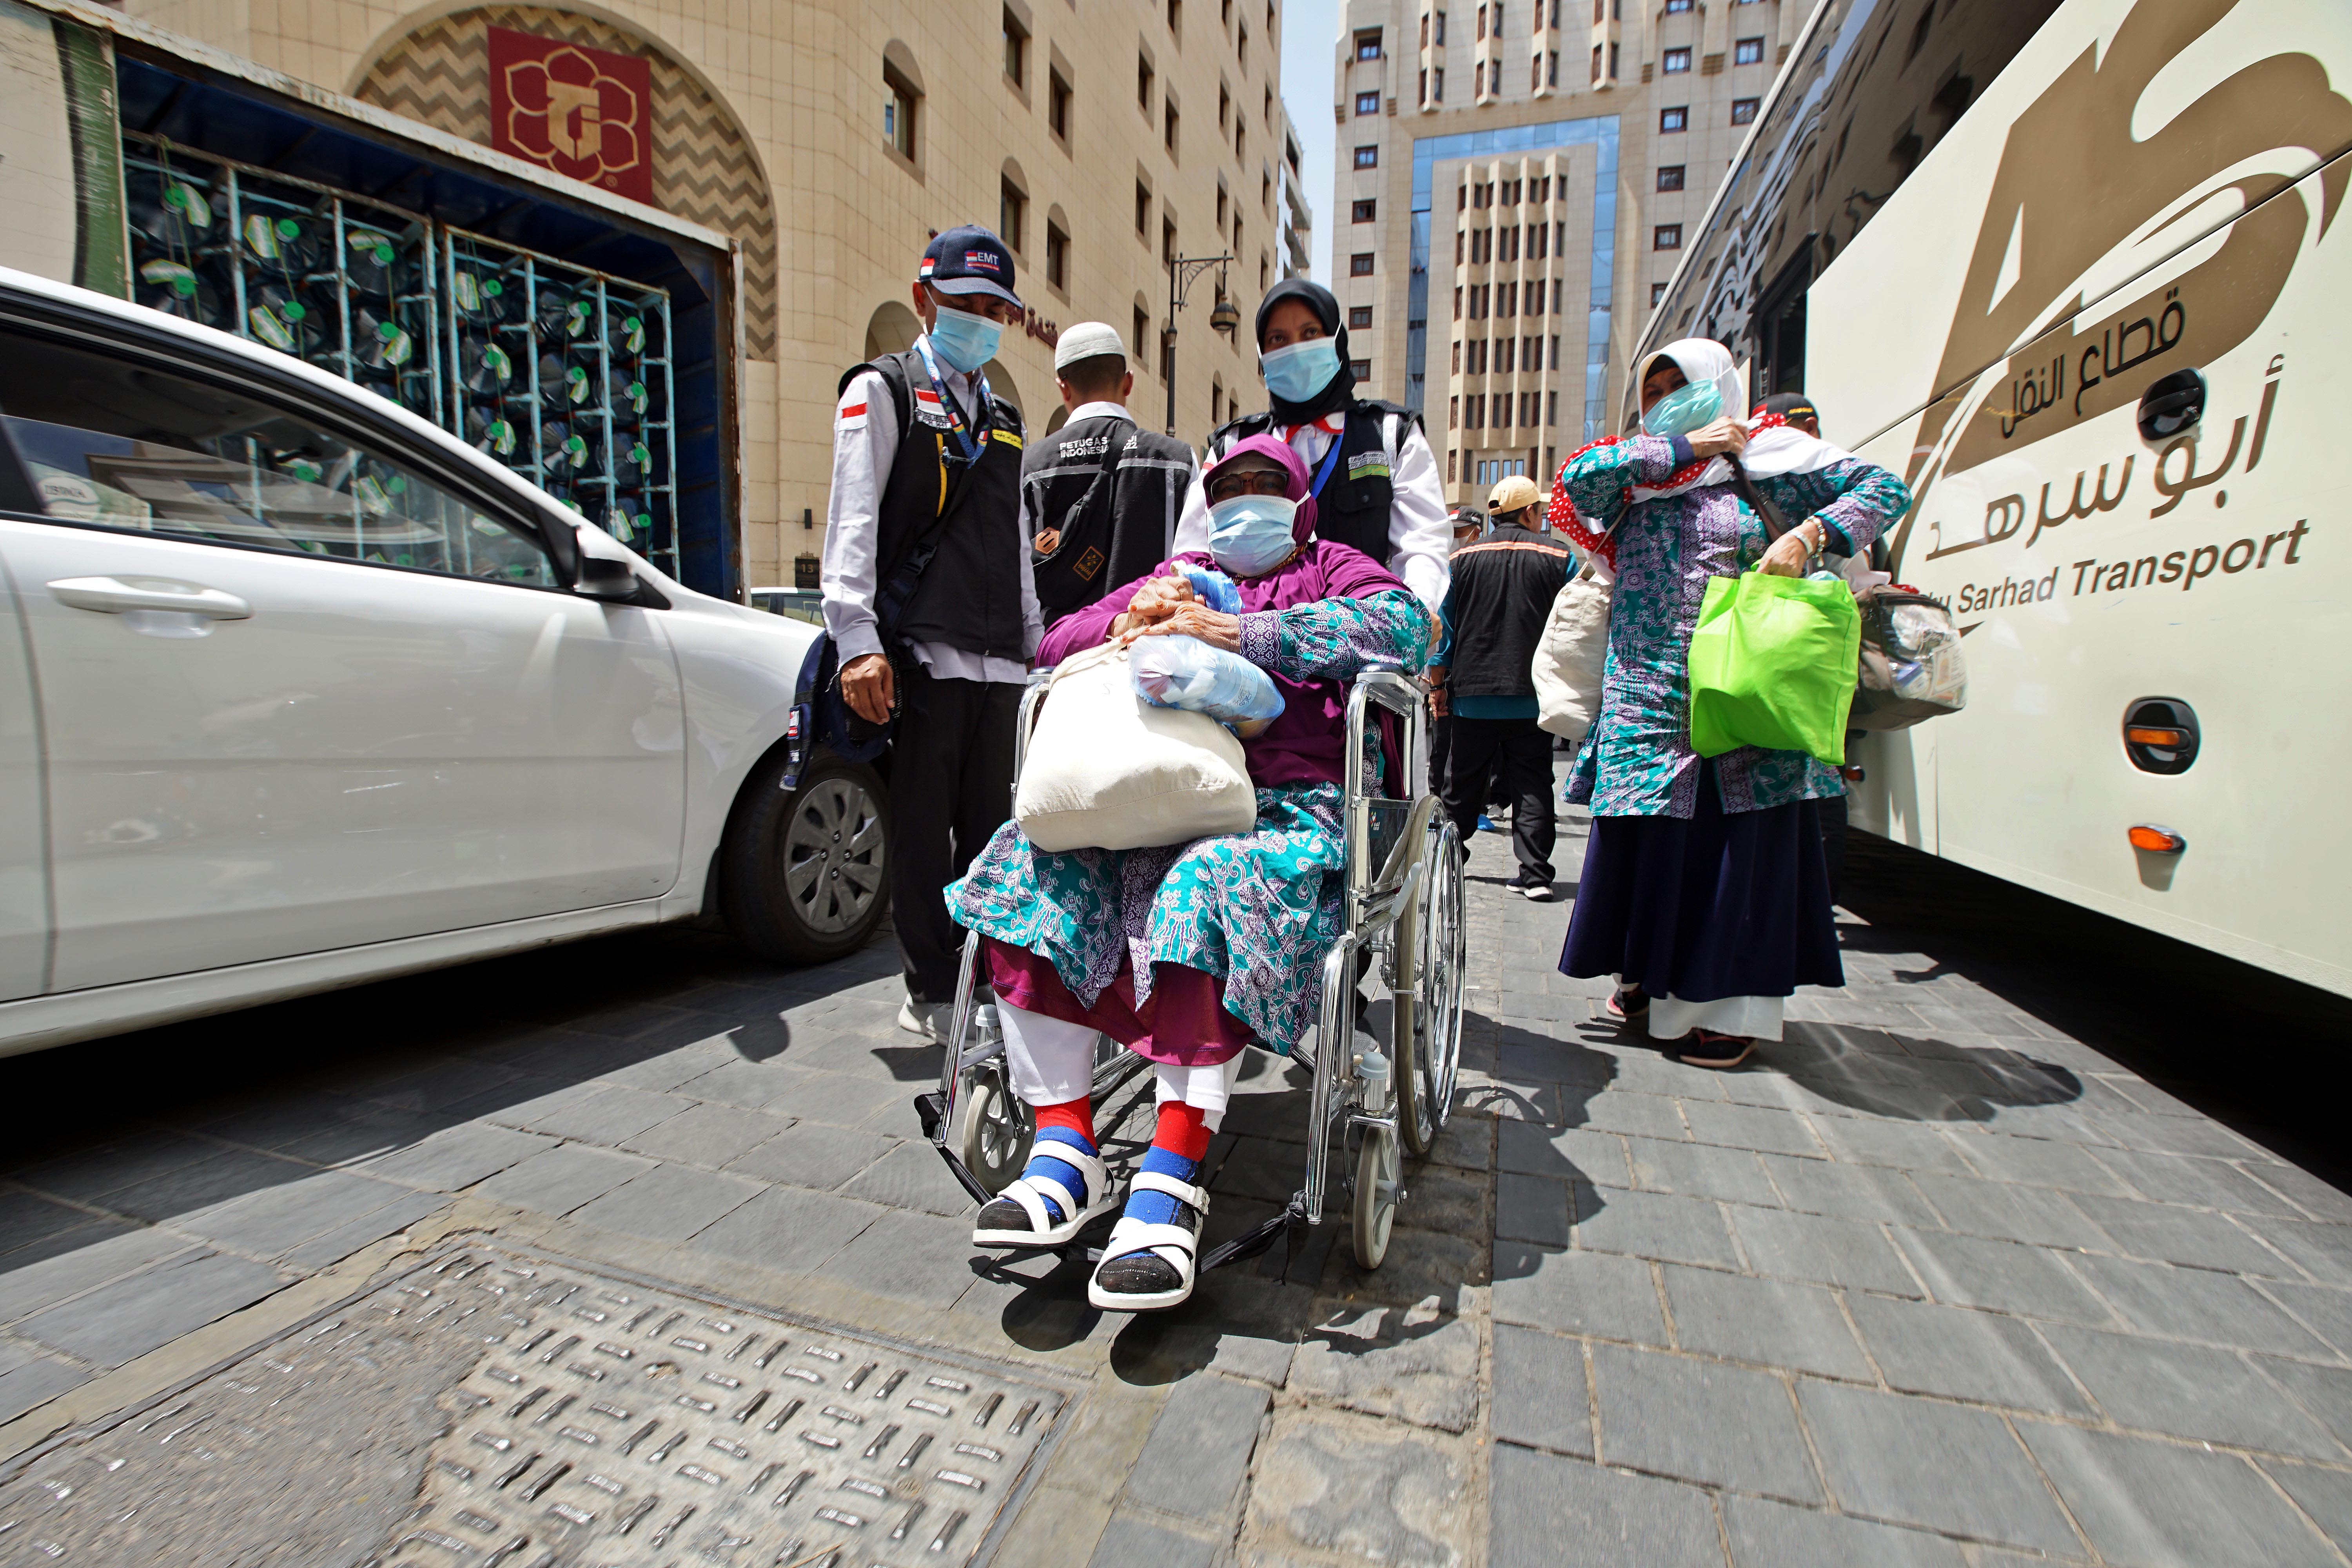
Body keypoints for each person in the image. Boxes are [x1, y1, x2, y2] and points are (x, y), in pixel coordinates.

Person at [946, 435, 1431, 1311]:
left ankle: (1172, 1173)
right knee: (1026, 865)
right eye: (1230, 484)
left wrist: (1242, 630)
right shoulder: (1181, 568)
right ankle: (1063, 1149)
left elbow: (1408, 627)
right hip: (1164, 797)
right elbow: (1055, 641)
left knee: (1202, 884)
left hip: (1291, 802)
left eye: (1265, 483)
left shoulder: (1332, 565)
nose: (1246, 497)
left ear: (1296, 496)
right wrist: (1131, 619)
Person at [1551, 339, 1911, 1068]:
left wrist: (1811, 536)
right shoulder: (1640, 471)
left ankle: (1722, 1010)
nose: (1662, 397)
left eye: (1678, 384)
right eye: (1652, 389)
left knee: (1730, 850)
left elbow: (1885, 489)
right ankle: (1650, 979)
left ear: (1721, 385)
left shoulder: (1776, 460)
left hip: (1745, 696)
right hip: (1648, 695)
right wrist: (1683, 442)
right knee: (1648, 846)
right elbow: (1576, 479)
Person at [821, 225, 1038, 1043]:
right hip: (920, 654)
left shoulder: (1008, 417)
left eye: (995, 310)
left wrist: (1035, 644)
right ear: (925, 301)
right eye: (966, 305)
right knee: (921, 830)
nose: (981, 321)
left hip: (998, 666)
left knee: (991, 830)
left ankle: (983, 974)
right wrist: (857, 640)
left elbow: (1016, 543)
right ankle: (929, 984)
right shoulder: (883, 391)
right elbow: (852, 521)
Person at [1173, 279, 1450, 618]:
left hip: (1360, 650)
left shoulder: (1391, 434)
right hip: (1250, 649)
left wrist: (1414, 615)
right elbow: (1192, 554)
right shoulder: (1232, 444)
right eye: (1278, 339)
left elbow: (1422, 545)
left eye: (1310, 333)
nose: (1296, 349)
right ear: (1262, 356)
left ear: (1336, 340)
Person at [1427, 474, 1575, 900]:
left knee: (1462, 783)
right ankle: (1536, 875)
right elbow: (1572, 626)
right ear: (1529, 512)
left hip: (1473, 694)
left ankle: (1450, 857)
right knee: (1533, 782)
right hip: (1532, 695)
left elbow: (1445, 631)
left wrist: (1438, 683)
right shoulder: (1558, 556)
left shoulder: (1462, 560)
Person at [1024, 321, 1198, 625]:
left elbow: (1017, 577)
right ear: (1128, 383)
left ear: (1063, 387)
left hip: (1060, 658)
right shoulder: (1178, 462)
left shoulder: (1030, 467)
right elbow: (1197, 568)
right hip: (1151, 654)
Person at [1755, 389, 1849, 900]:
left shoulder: (1819, 488)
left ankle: (1806, 895)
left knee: (1816, 778)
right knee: (1811, 774)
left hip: (1794, 655)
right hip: (1799, 655)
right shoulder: (1803, 486)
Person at [1427, 506, 1487, 804]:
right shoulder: (1444, 567)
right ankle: (1438, 801)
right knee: (1442, 744)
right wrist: (1435, 682)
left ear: (1477, 532)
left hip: (1470, 673)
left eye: (1459, 532)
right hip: (1449, 672)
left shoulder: (1471, 567)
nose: (1454, 539)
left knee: (1465, 750)